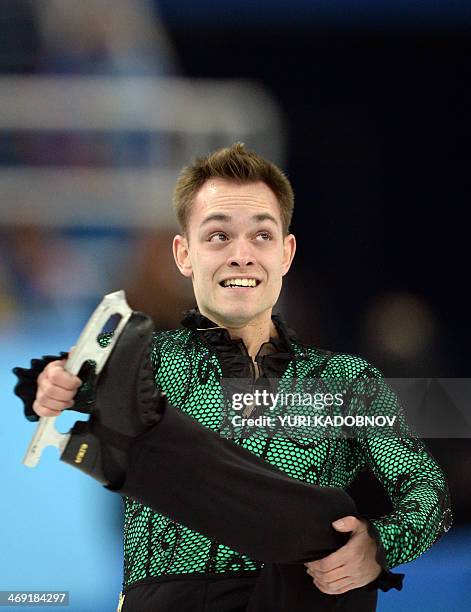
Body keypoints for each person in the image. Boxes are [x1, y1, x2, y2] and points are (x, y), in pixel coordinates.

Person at [15, 143, 452, 611]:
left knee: (332, 523)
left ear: (286, 253)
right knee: (131, 397)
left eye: (261, 236)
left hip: (297, 593)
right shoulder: (152, 364)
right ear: (184, 254)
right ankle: (146, 439)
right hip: (168, 598)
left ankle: (146, 441)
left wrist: (378, 546)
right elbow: (57, 382)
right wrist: (52, 383)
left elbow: (430, 495)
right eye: (219, 236)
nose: (242, 255)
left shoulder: (345, 381)